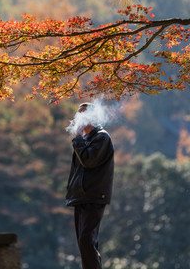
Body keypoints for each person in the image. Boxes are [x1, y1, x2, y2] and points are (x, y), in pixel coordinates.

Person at [66, 102, 114, 269]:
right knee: (84, 243)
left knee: (86, 240)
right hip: (81, 196)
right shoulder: (86, 139)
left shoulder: (101, 137)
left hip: (93, 196)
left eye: (82, 115)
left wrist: (78, 138)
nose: (78, 119)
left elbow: (88, 160)